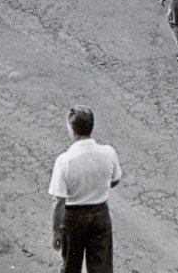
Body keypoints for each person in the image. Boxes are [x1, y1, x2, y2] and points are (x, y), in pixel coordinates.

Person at [49, 105, 120, 273]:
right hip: (100, 214)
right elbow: (115, 180)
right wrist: (99, 186)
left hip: (73, 218)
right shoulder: (108, 153)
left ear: (71, 129)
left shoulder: (65, 160)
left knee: (71, 266)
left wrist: (55, 232)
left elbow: (58, 201)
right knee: (101, 266)